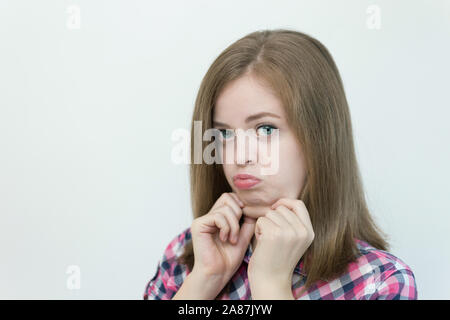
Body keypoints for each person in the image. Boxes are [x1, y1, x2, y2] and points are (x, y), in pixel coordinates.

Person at [143, 29, 418, 300]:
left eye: (265, 129)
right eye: (225, 134)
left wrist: (270, 284)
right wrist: (205, 280)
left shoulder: (381, 283)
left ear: (319, 138)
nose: (240, 156)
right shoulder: (187, 257)